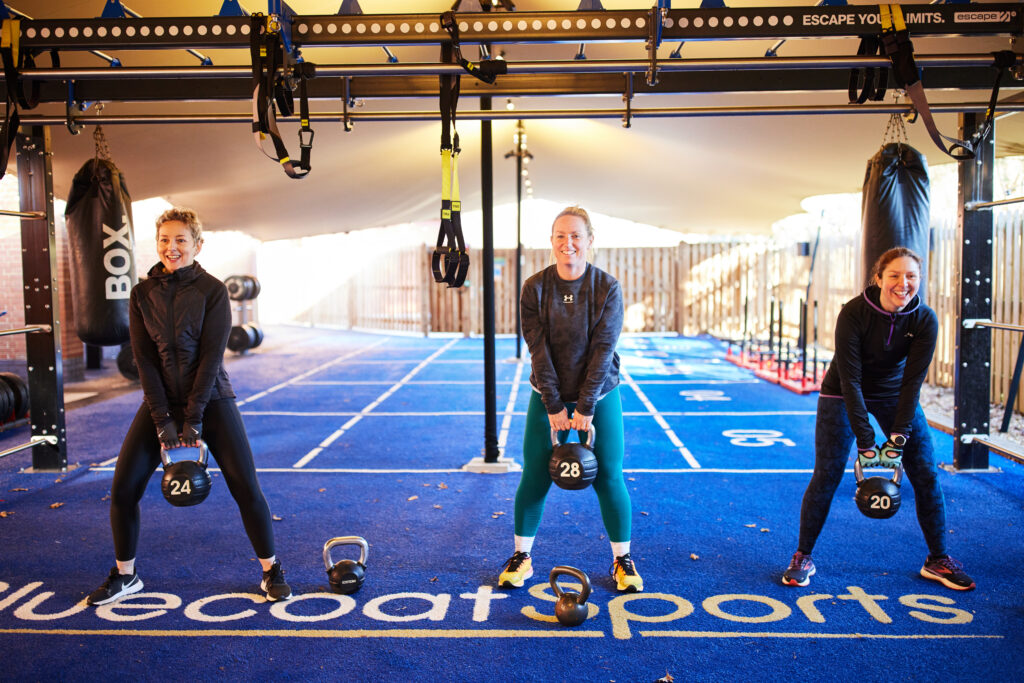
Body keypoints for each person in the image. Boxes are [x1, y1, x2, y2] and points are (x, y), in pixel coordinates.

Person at [87, 208, 291, 605]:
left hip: (211, 397)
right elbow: (144, 359)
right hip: (160, 398)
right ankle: (126, 576)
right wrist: (162, 419)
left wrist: (193, 418)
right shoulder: (141, 294)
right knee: (123, 489)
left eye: (181, 240)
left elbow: (213, 357)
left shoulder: (212, 291)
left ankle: (271, 570)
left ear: (197, 245)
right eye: (165, 240)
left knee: (246, 487)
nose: (172, 247)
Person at [782, 247, 974, 591]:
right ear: (879, 278)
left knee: (926, 472)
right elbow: (851, 381)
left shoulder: (925, 319)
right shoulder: (854, 313)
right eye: (895, 276)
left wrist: (898, 438)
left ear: (919, 280)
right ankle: (802, 556)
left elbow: (913, 384)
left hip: (895, 393)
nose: (903, 284)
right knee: (826, 474)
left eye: (911, 276)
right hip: (841, 391)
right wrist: (867, 442)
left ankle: (938, 560)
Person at [498, 206, 642, 593]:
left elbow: (602, 350)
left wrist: (585, 408)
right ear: (551, 241)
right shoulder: (535, 288)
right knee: (535, 472)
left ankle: (622, 561)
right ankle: (521, 556)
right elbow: (538, 351)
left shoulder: (606, 288)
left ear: (590, 240)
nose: (568, 243)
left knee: (610, 475)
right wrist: (554, 407)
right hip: (548, 394)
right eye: (561, 236)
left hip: (601, 393)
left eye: (576, 236)